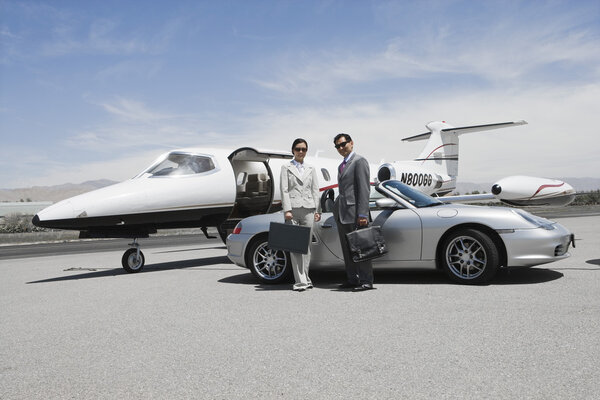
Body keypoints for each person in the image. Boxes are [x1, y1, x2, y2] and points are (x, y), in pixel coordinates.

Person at [333, 133, 374, 291]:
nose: (341, 148)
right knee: (348, 249)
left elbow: (364, 189)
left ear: (351, 143)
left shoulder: (359, 161)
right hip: (343, 214)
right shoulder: (341, 165)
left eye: (343, 144)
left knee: (362, 248)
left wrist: (363, 214)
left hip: (356, 214)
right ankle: (353, 279)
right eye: (337, 146)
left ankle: (366, 281)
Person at [280, 138, 322, 291]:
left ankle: (306, 277)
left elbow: (315, 190)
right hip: (293, 210)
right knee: (295, 246)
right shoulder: (286, 167)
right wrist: (287, 210)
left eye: (303, 149)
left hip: (309, 209)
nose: (301, 152)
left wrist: (317, 210)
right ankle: (300, 282)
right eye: (298, 149)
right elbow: (284, 190)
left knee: (306, 247)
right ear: (293, 150)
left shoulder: (311, 168)